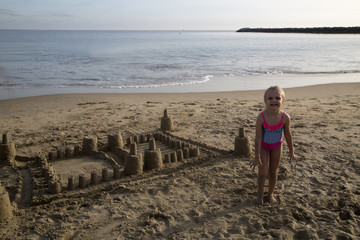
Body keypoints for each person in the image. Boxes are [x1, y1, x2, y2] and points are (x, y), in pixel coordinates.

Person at [250, 86, 298, 205]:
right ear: (265, 101)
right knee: (263, 171)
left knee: (273, 171)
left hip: (277, 146)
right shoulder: (261, 117)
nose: (274, 100)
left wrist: (291, 151)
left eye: (277, 98)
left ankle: (270, 193)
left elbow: (288, 135)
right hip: (263, 146)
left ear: (283, 100)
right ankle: (260, 194)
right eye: (270, 98)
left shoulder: (285, 118)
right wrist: (257, 156)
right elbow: (258, 137)